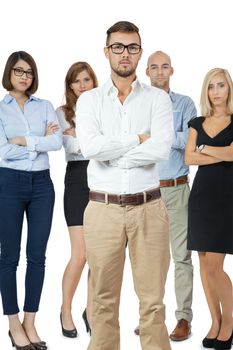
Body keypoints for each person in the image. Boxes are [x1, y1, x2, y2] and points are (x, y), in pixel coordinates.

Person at [77, 21, 174, 350]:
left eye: (132, 47)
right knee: (102, 302)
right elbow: (90, 148)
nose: (125, 53)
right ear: (107, 52)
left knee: (153, 303)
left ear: (139, 53)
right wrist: (136, 141)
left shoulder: (158, 100)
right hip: (102, 210)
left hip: (149, 208)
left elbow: (160, 148)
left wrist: (115, 156)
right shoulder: (90, 100)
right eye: (117, 47)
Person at [0, 51, 62, 350]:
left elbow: (57, 142)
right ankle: (13, 324)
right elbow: (1, 153)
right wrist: (39, 141)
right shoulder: (0, 110)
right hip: (8, 183)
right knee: (9, 257)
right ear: (9, 74)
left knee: (37, 256)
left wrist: (23, 141)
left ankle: (30, 321)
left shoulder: (46, 106)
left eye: (29, 72)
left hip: (41, 186)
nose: (25, 76)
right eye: (19, 71)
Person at [134, 50, 196, 341]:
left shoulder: (184, 104)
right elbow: (131, 143)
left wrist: (158, 136)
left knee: (181, 256)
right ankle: (151, 316)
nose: (159, 71)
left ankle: (183, 318)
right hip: (145, 190)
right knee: (148, 259)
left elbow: (191, 142)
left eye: (165, 67)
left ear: (172, 71)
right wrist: (167, 136)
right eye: (154, 67)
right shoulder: (137, 105)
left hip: (177, 187)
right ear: (146, 71)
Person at [185, 67, 233, 350]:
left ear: (229, 89)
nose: (216, 92)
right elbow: (189, 157)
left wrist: (205, 149)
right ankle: (214, 321)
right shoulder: (197, 121)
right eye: (211, 87)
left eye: (221, 86)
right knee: (203, 264)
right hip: (201, 197)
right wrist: (220, 152)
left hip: (226, 196)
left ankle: (230, 321)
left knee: (215, 266)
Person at [56, 62, 98, 337]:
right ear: (70, 85)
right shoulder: (62, 113)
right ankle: (66, 309)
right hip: (77, 180)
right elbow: (72, 148)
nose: (82, 85)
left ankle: (91, 310)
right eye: (76, 81)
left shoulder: (103, 111)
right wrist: (92, 140)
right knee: (80, 254)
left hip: (102, 179)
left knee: (99, 257)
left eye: (86, 79)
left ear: (93, 82)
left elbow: (108, 145)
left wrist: (85, 137)